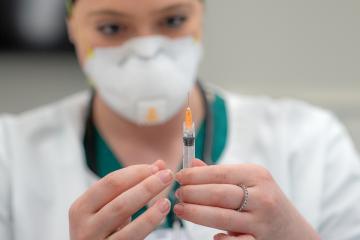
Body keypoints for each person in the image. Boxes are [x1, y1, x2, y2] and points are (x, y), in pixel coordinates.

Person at [1, 0, 360, 239]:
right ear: (71, 28)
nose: (146, 51)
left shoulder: (311, 141)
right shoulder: (11, 154)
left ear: (201, 16)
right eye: (111, 28)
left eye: (172, 21)